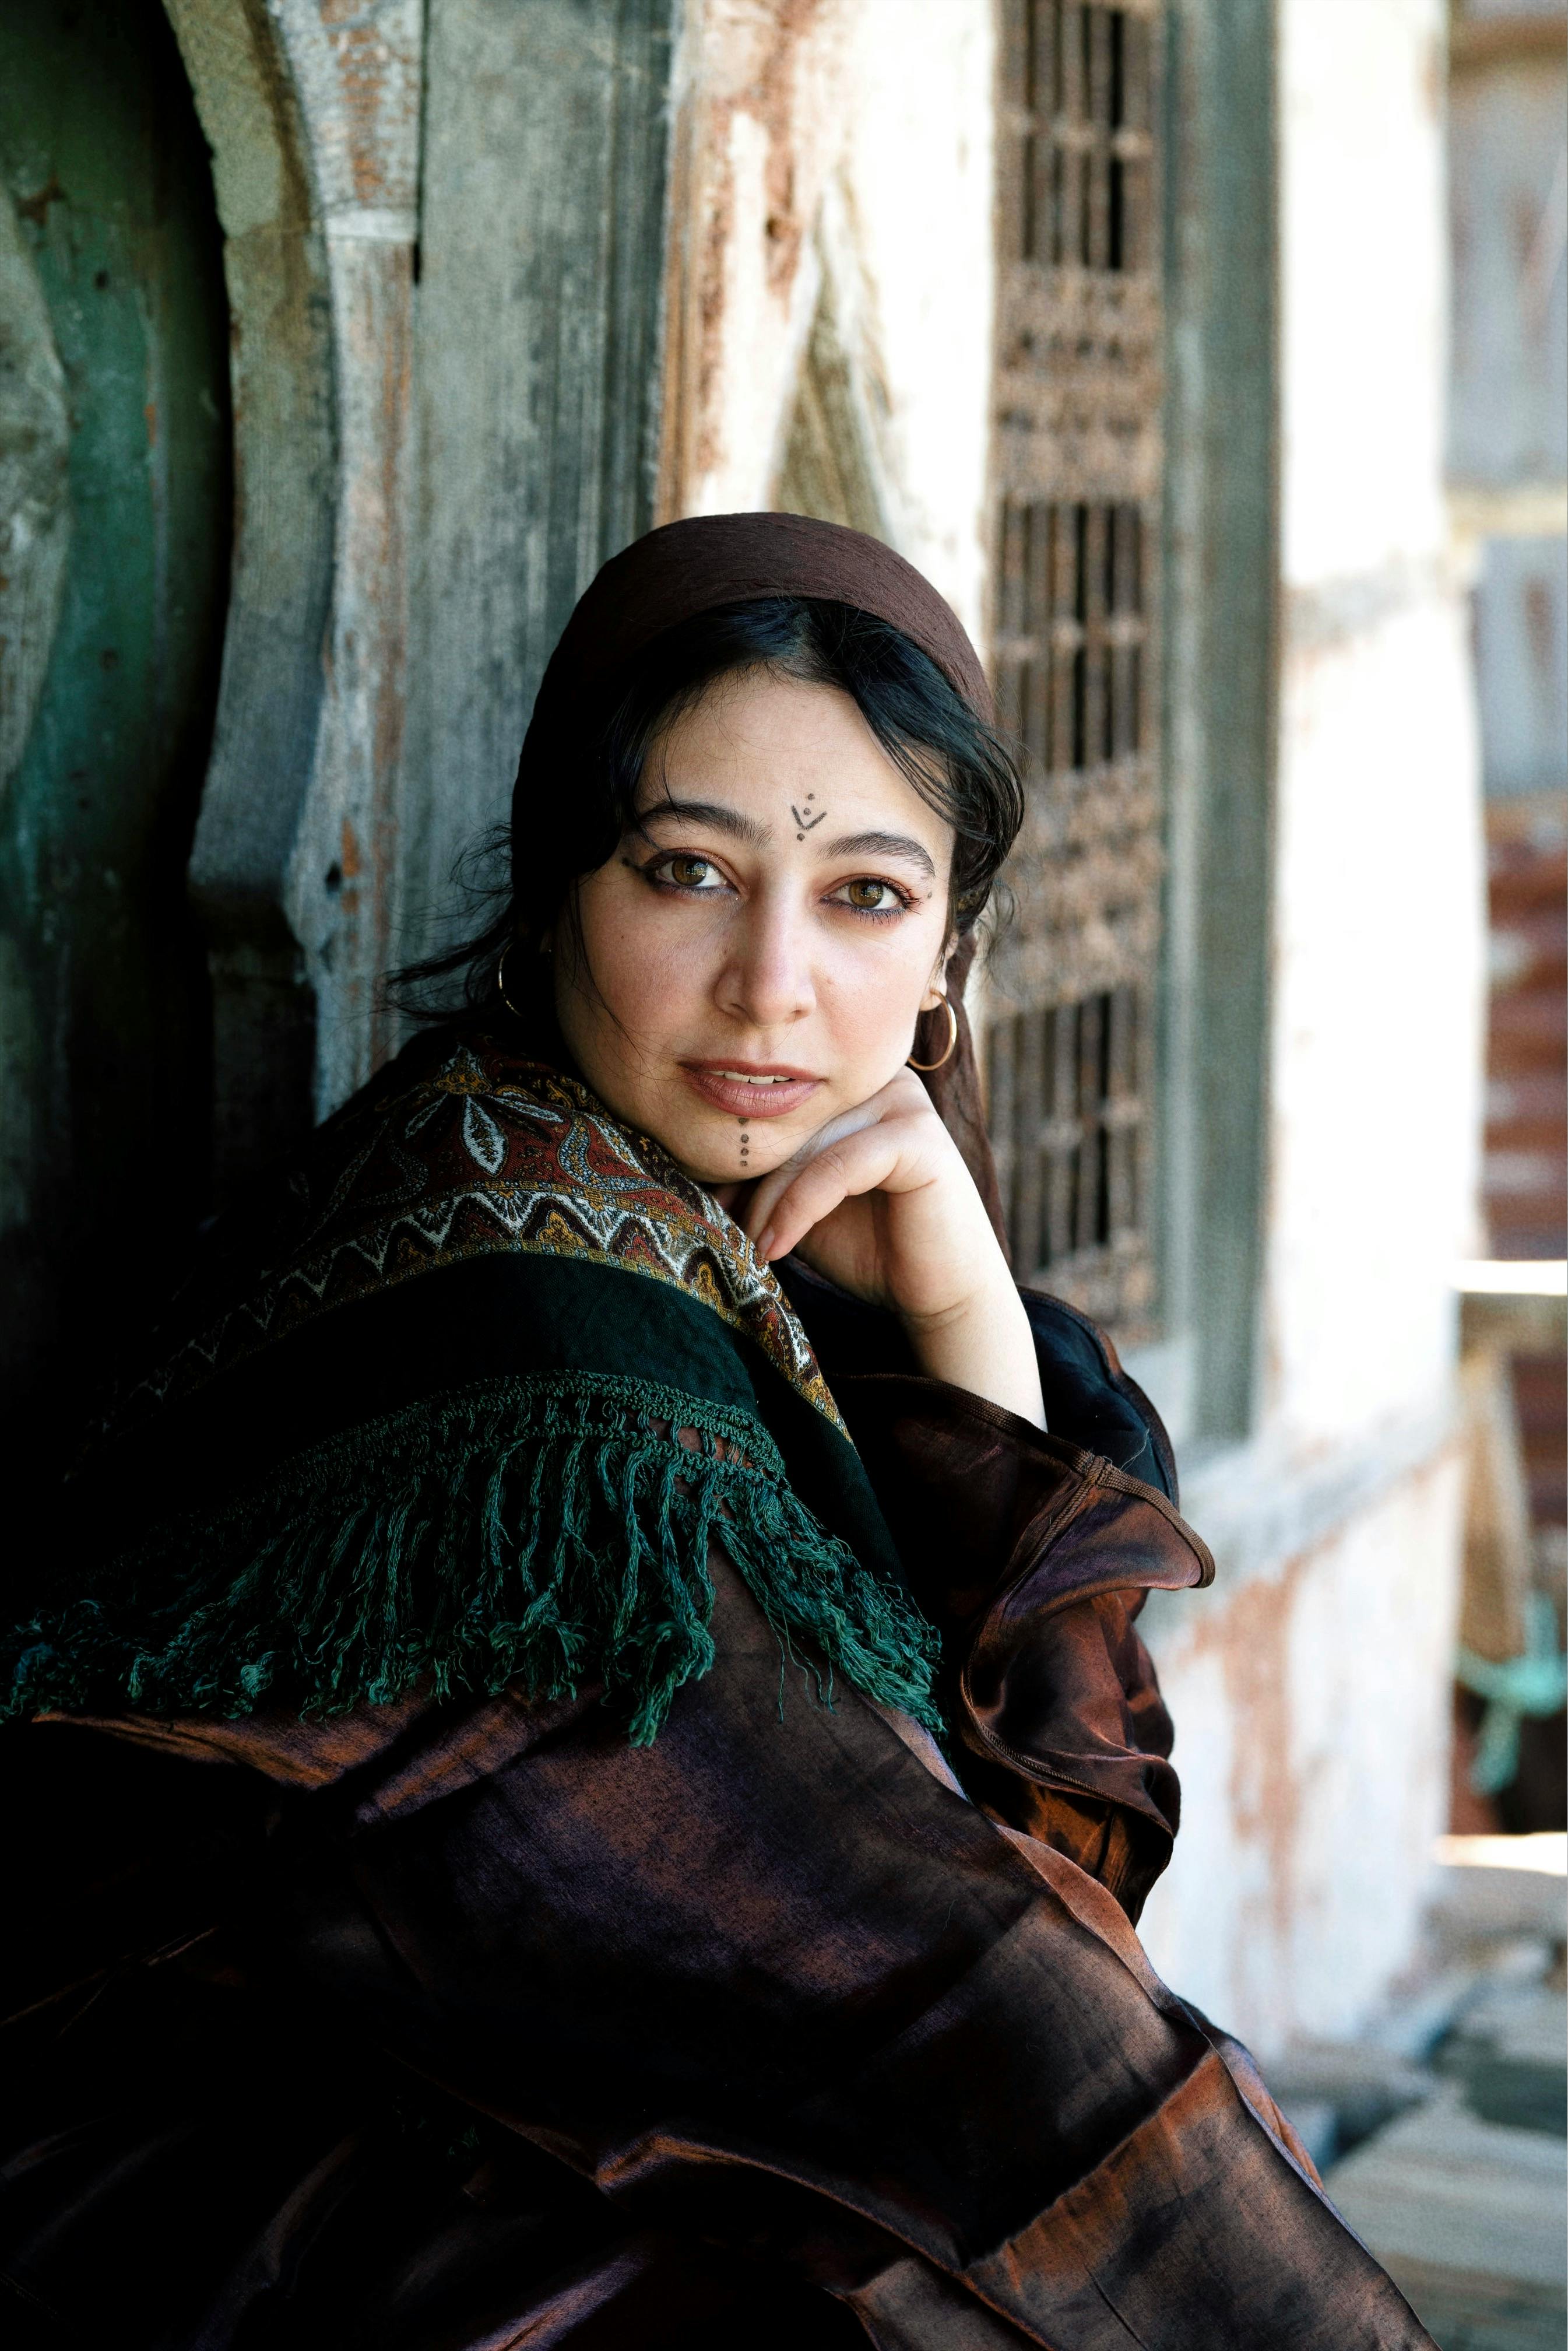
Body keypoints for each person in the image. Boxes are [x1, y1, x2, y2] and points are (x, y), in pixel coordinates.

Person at [1, 516, 1433, 2346]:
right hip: (193, 2197)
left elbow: (1039, 1861)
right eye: (685, 871)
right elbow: (962, 1975)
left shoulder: (766, 1239)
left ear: (947, 953)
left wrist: (966, 1321)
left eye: (864, 895)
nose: (770, 986)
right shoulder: (537, 1319)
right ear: (554, 890)